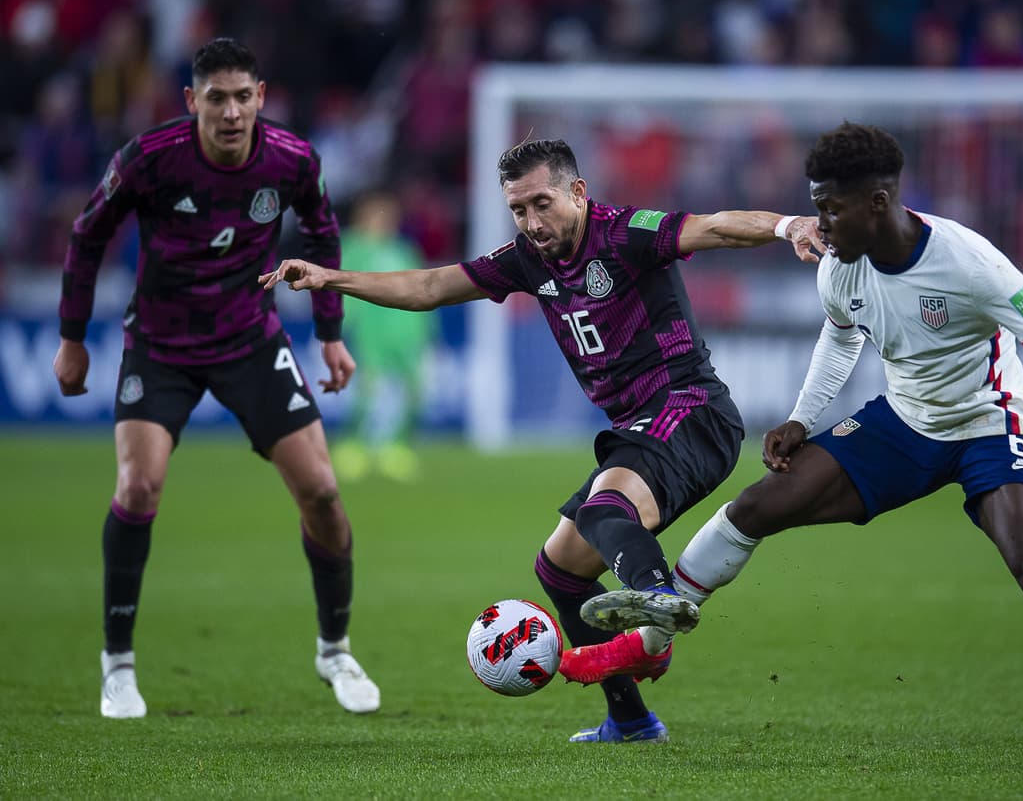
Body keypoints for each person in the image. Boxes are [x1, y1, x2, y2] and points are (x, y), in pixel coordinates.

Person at [564, 123, 1023, 770]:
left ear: (880, 200)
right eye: (817, 202)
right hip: (902, 424)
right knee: (756, 506)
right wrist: (803, 420)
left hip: (988, 424)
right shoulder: (838, 264)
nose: (821, 220)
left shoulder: (967, 261)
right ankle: (655, 635)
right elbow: (841, 338)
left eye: (833, 206)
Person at [259, 138, 819, 743]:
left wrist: (787, 225)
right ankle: (631, 720)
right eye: (519, 210)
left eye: (542, 203)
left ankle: (657, 603)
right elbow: (427, 289)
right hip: (640, 426)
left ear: (578, 192)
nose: (532, 222)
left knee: (608, 508)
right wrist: (328, 278)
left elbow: (716, 228)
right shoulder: (527, 258)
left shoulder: (627, 232)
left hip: (691, 409)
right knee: (560, 570)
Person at [54, 37, 380, 719]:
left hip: (249, 340)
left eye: (242, 97)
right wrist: (71, 338)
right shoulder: (149, 159)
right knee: (138, 487)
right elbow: (88, 234)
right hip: (162, 344)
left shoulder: (292, 160)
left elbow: (322, 237)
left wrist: (328, 333)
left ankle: (336, 648)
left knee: (321, 490)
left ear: (260, 97)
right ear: (191, 101)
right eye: (215, 99)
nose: (230, 112)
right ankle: (118, 665)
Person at [331, 190, 435, 482]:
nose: (384, 222)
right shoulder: (352, 249)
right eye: (378, 215)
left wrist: (429, 329)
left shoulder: (404, 250)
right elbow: (341, 289)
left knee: (415, 391)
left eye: (389, 216)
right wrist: (339, 327)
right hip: (370, 335)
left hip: (407, 334)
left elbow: (426, 287)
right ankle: (354, 447)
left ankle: (397, 447)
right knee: (367, 390)